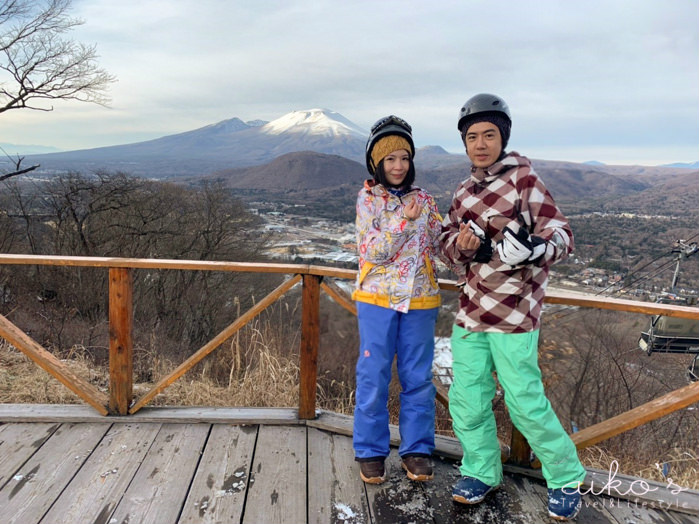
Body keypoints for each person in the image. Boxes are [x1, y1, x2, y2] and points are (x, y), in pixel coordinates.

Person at [439, 94, 586, 521]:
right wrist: (461, 246)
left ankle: (565, 476)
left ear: (502, 137)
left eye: (489, 134)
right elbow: (448, 246)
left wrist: (536, 248)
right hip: (471, 310)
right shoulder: (464, 191)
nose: (480, 143)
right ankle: (481, 471)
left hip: (516, 313)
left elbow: (562, 234)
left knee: (524, 401)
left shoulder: (524, 179)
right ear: (464, 144)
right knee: (466, 399)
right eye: (472, 136)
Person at [352, 115, 442, 484]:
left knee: (418, 377)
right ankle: (370, 450)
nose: (398, 166)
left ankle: (417, 450)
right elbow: (373, 250)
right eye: (390, 159)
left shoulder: (425, 200)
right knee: (373, 374)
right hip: (377, 298)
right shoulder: (368, 200)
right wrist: (404, 222)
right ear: (377, 162)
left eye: (404, 157)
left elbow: (439, 244)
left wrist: (470, 242)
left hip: (421, 298)